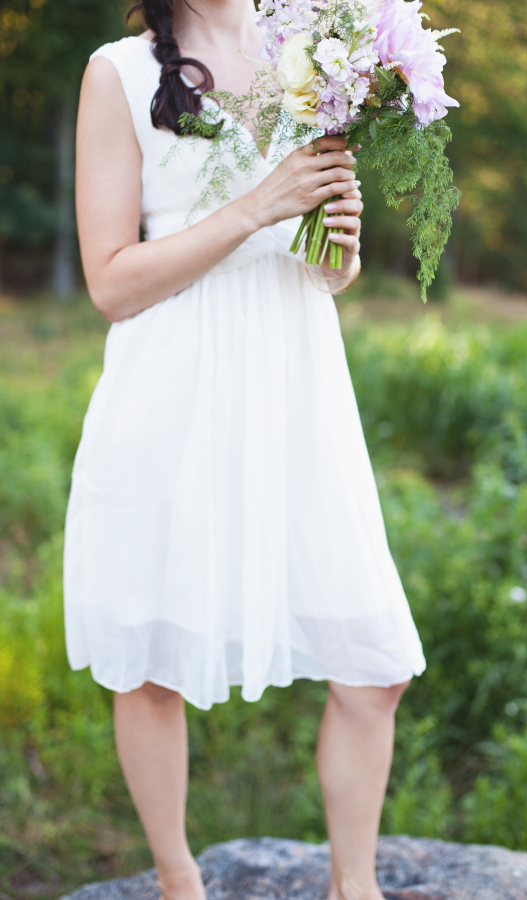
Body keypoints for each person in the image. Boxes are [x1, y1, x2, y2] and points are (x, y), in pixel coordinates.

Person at [64, 0, 426, 898]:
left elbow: (328, 271)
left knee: (375, 666)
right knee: (151, 661)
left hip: (296, 384)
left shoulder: (319, 59)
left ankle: (355, 885)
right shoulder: (119, 73)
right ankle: (179, 879)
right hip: (173, 386)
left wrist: (335, 241)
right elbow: (109, 282)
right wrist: (257, 206)